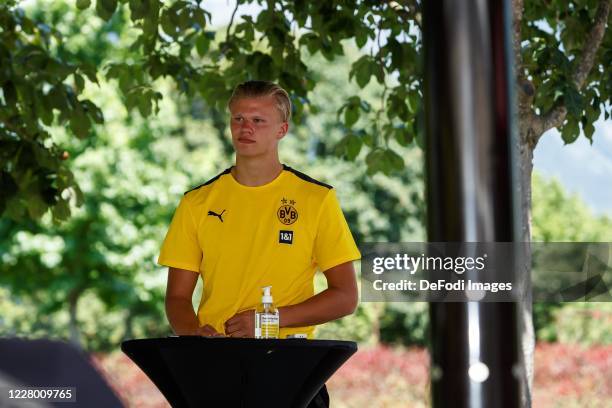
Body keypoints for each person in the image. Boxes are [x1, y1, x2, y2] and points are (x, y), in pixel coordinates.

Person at [157, 80, 361, 406]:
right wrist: (194, 333)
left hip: (291, 372)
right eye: (238, 119)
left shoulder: (317, 199)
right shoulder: (196, 203)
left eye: (257, 120)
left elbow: (346, 297)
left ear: (282, 129)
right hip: (215, 368)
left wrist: (269, 320)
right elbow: (177, 298)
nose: (245, 128)